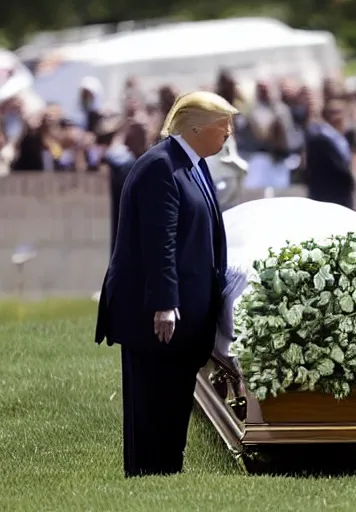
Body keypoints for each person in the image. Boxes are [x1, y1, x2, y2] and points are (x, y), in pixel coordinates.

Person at [94, 91, 238, 477]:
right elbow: (161, 241)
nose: (229, 132)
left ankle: (166, 472)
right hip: (155, 317)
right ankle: (148, 476)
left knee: (172, 402)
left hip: (183, 314)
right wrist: (164, 303)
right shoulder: (161, 166)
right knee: (152, 402)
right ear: (195, 128)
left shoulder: (192, 163)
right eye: (223, 124)